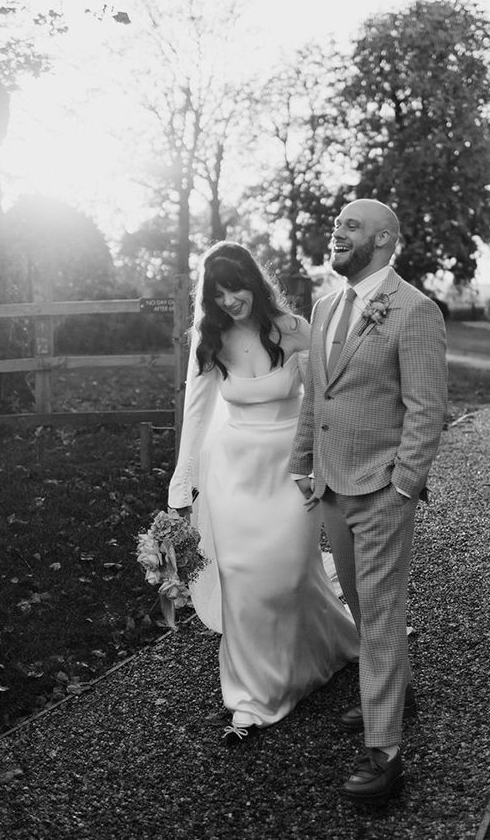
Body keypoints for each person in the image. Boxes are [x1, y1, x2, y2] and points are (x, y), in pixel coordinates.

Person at [167, 241, 359, 745]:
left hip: (292, 468)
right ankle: (250, 697)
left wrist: (334, 459)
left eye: (237, 287)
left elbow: (331, 396)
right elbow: (197, 411)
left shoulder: (293, 330)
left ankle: (326, 649)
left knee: (291, 573)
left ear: (254, 280)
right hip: (233, 471)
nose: (231, 300)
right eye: (220, 292)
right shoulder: (209, 338)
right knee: (241, 575)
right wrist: (181, 487)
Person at [289, 199, 448, 803]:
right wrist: (303, 464)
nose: (337, 232)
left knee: (380, 612)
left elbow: (426, 409)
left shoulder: (415, 311)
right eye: (336, 226)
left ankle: (385, 755)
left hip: (383, 488)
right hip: (331, 486)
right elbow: (315, 399)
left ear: (384, 239)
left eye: (350, 226)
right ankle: (396, 689)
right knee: (359, 601)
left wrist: (404, 486)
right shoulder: (326, 305)